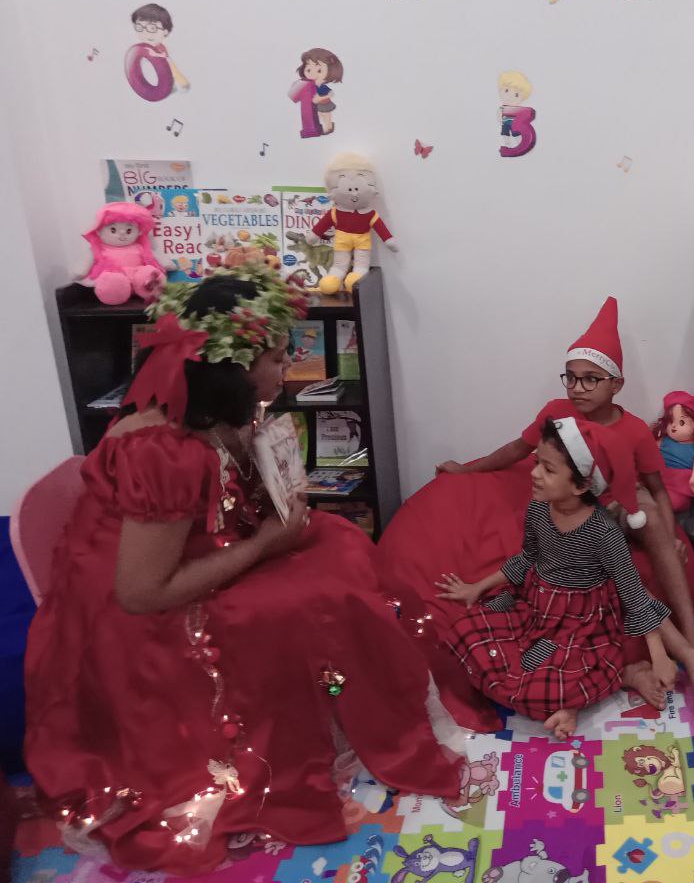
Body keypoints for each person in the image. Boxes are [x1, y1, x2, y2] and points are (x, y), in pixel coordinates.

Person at [23, 266, 462, 874]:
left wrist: (276, 493)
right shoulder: (164, 452)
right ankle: (317, 719)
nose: (287, 372)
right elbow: (142, 593)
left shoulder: (214, 413)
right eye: (279, 359)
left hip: (190, 553)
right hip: (136, 614)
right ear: (231, 368)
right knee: (297, 603)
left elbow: (223, 500)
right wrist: (262, 547)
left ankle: (345, 702)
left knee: (339, 544)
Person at [434, 297, 694, 706]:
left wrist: (671, 534)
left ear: (616, 384)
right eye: (571, 378)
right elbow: (517, 448)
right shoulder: (556, 415)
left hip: (614, 502)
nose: (577, 388)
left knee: (650, 516)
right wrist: (468, 469)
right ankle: (619, 669)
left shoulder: (634, 430)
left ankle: (692, 646)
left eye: (590, 379)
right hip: (565, 514)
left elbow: (653, 488)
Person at [438, 417, 694, 739]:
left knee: (547, 680)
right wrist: (477, 587)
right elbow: (527, 558)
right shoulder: (538, 510)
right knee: (468, 636)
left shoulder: (603, 532)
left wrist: (659, 655)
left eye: (548, 469)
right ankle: (574, 699)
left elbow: (634, 594)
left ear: (582, 485)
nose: (534, 473)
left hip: (579, 623)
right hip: (536, 605)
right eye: (537, 463)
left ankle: (618, 678)